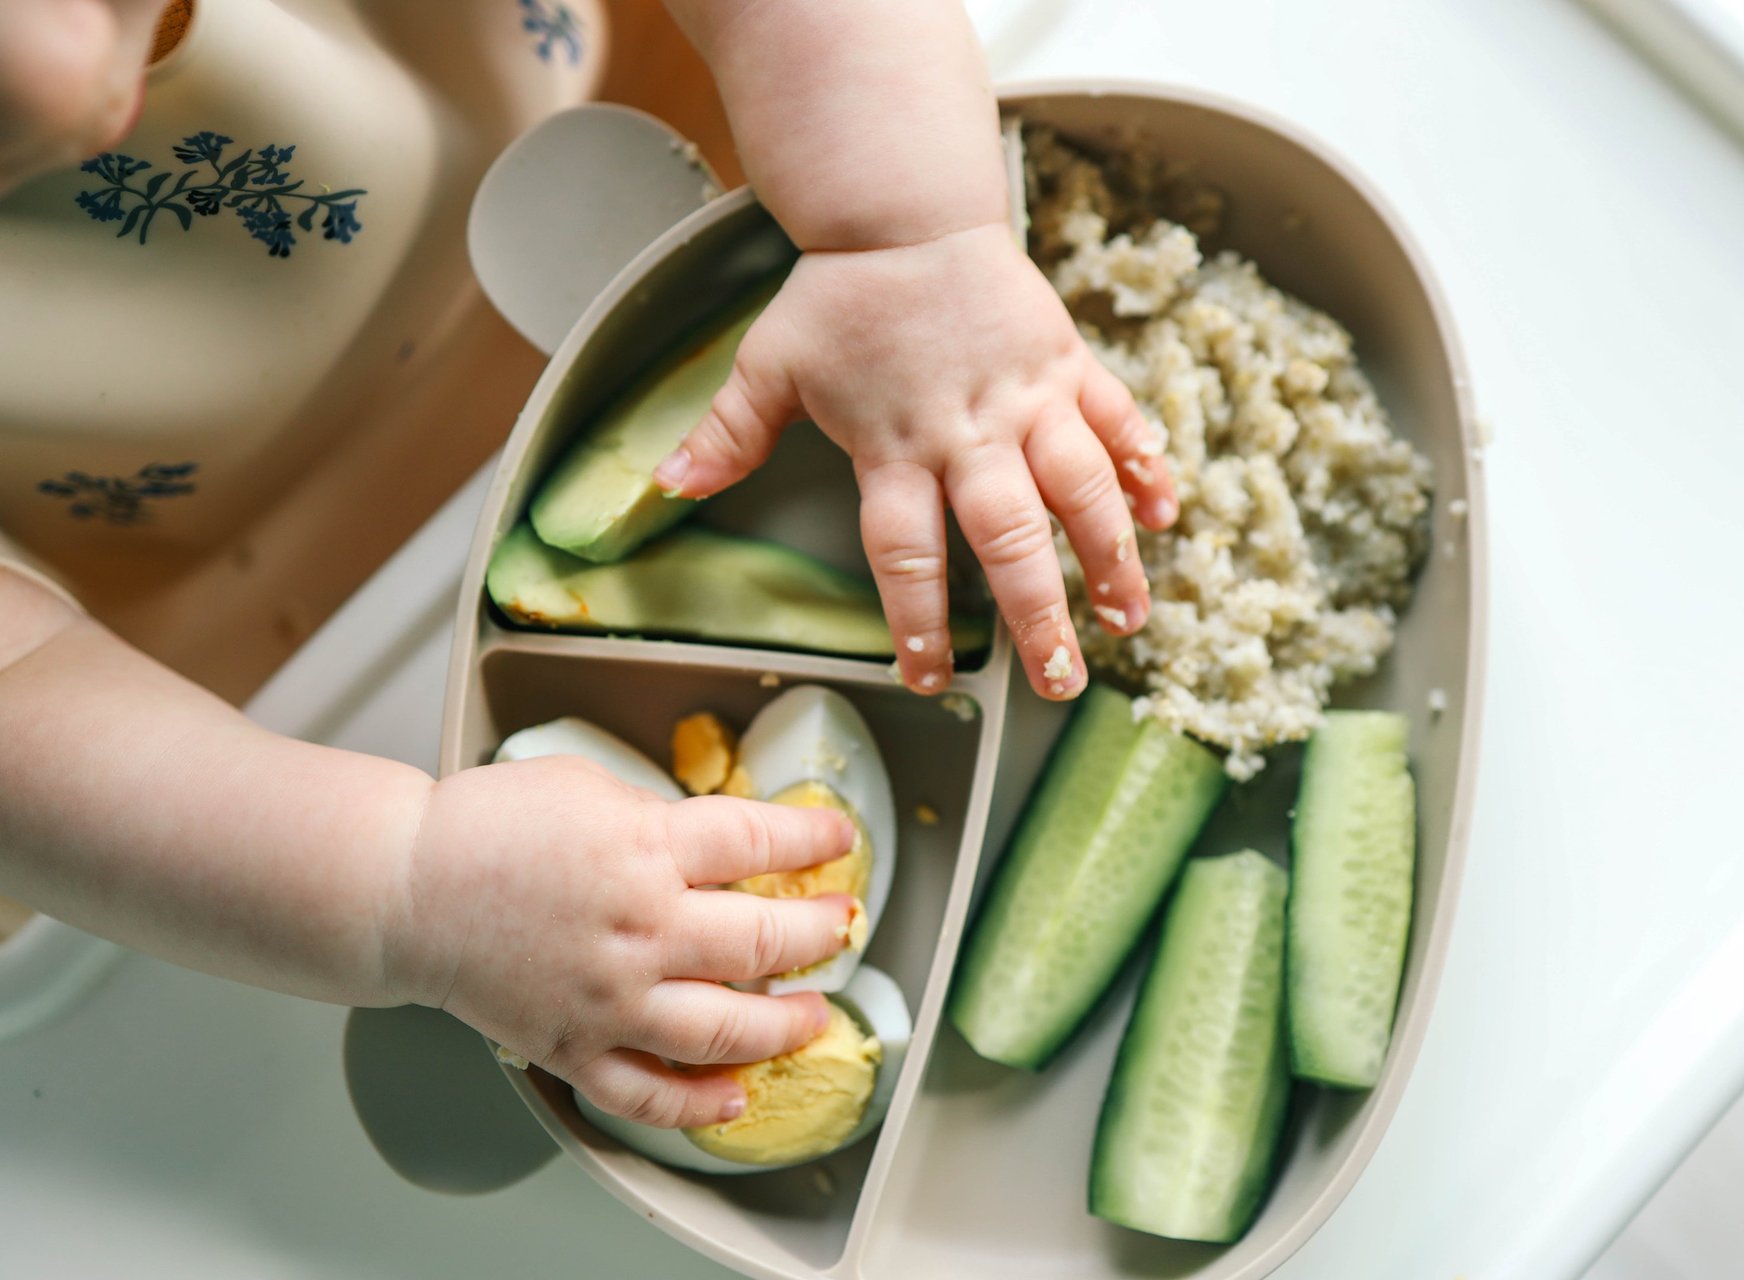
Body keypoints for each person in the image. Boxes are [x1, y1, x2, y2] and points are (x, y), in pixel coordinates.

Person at [0, 0, 1177, 1129]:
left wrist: (907, 234)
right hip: (190, 529)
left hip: (540, 153)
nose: (50, 59)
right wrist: (400, 888)